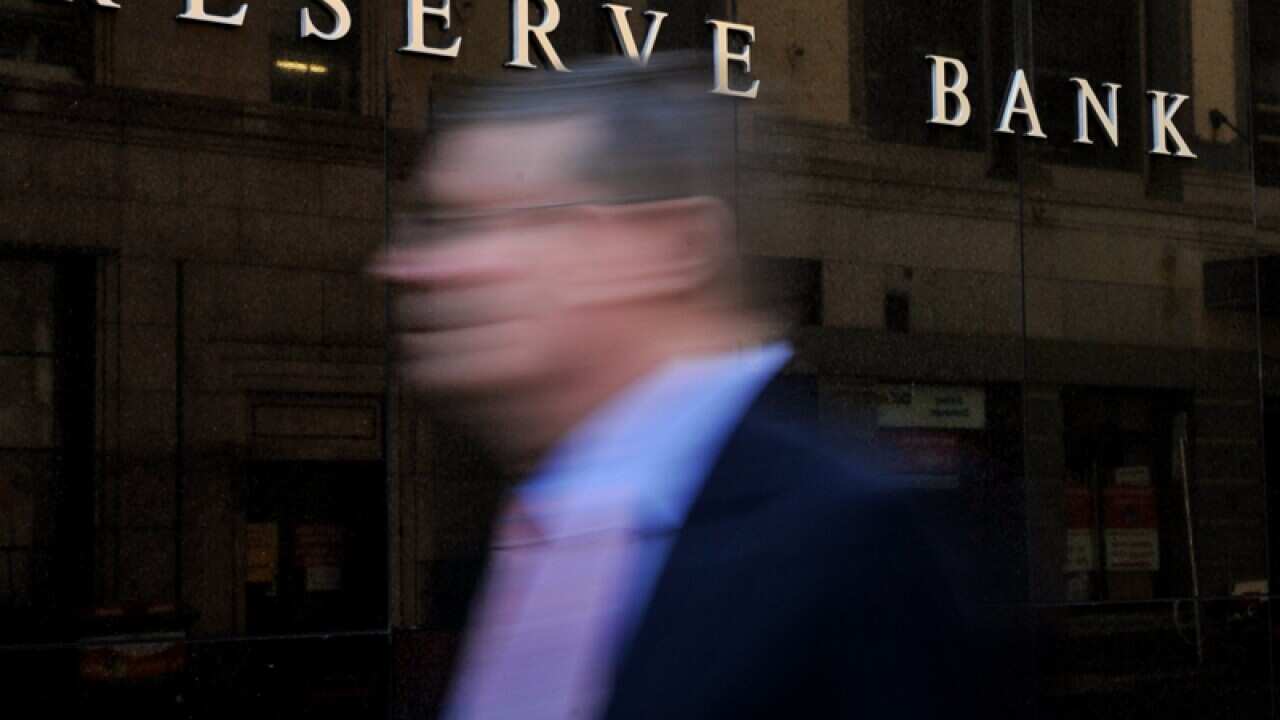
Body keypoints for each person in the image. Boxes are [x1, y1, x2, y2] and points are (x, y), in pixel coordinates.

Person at [371, 53, 980, 720]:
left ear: (669, 246)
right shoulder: (524, 544)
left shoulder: (847, 542)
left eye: (474, 222)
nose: (407, 266)